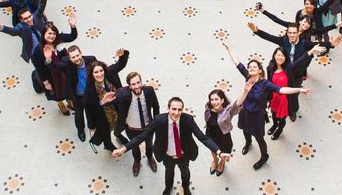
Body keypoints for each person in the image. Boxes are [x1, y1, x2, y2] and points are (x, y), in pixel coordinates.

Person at [112, 97, 231, 195]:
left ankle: (186, 187)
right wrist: (123, 149)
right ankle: (168, 188)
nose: (176, 113)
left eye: (180, 110)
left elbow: (203, 137)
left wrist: (219, 152)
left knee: (185, 173)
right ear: (168, 108)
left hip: (184, 155)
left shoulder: (188, 120)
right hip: (167, 155)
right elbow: (141, 136)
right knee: (169, 173)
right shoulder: (158, 120)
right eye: (173, 109)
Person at [222, 42, 310, 170]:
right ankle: (248, 143)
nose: (251, 68)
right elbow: (237, 63)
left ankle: (264, 156)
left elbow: (281, 90)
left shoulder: (265, 84)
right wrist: (229, 48)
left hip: (257, 115)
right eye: (250, 67)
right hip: (245, 112)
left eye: (254, 67)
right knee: (245, 130)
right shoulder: (247, 77)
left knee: (260, 138)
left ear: (259, 70)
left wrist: (298, 90)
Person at [114, 72, 160, 176]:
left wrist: (157, 123)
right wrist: (104, 102)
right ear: (129, 86)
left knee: (149, 144)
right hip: (131, 128)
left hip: (148, 127)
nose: (137, 86)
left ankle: (150, 157)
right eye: (133, 84)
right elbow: (111, 101)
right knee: (134, 146)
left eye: (138, 82)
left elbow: (156, 107)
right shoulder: (123, 94)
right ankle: (137, 161)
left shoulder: (149, 91)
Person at [204, 80, 254, 176]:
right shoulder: (208, 107)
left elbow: (237, 104)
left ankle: (222, 163)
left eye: (216, 99)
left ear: (222, 100)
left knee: (224, 151)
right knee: (213, 150)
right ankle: (215, 161)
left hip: (223, 137)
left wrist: (245, 91)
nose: (214, 102)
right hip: (210, 134)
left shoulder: (228, 111)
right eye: (212, 100)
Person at [31, 14, 78, 114]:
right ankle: (61, 103)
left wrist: (73, 26)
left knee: (68, 88)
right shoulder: (38, 51)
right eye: (49, 34)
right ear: (43, 35)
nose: (52, 36)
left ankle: (69, 100)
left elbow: (72, 37)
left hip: (64, 71)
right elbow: (39, 68)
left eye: (53, 33)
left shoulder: (59, 39)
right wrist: (46, 82)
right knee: (57, 92)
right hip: (51, 75)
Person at [83, 50, 129, 150]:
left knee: (120, 125)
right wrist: (91, 125)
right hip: (103, 116)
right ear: (92, 74)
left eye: (101, 71)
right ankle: (108, 145)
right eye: (96, 72)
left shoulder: (110, 72)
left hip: (117, 109)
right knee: (106, 132)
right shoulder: (89, 88)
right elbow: (88, 108)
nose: (99, 74)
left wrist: (123, 55)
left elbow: (121, 64)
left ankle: (118, 135)